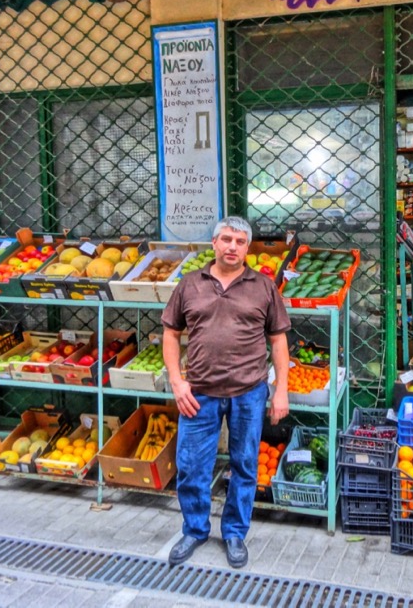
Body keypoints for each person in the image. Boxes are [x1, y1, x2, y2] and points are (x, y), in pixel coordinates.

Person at [161, 216, 290, 568]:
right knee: (191, 465)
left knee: (245, 464)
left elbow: (278, 340)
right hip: (198, 392)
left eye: (239, 241)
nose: (232, 246)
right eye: (226, 239)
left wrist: (281, 390)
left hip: (249, 391)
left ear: (248, 248)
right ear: (214, 243)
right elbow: (170, 334)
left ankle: (234, 533)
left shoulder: (264, 286)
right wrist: (177, 380)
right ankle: (194, 530)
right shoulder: (189, 284)